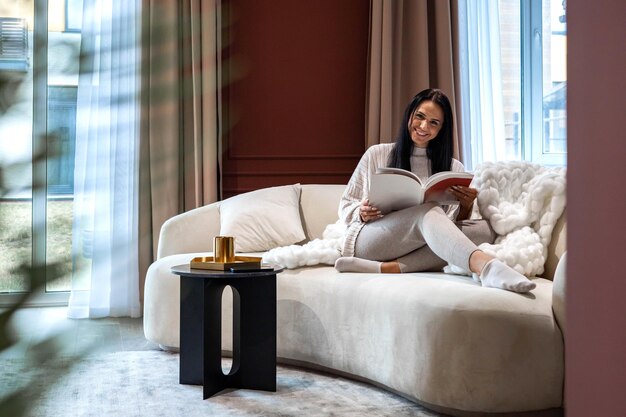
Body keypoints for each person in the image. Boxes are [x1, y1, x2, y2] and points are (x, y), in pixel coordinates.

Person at [334, 88, 535, 293]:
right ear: (410, 115)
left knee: (486, 229)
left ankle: (390, 268)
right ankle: (486, 266)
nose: (423, 126)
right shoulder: (377, 154)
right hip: (373, 238)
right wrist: (361, 211)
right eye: (419, 117)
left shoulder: (453, 166)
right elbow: (346, 204)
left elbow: (448, 226)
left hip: (418, 240)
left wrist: (465, 206)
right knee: (427, 211)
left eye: (433, 122)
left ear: (441, 129)